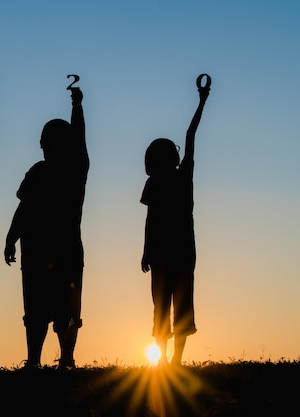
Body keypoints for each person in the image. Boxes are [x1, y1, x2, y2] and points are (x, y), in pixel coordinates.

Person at [4, 83, 88, 369]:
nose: (45, 145)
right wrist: (11, 237)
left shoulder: (75, 171)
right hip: (36, 251)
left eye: (51, 140)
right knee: (36, 311)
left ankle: (66, 358)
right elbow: (23, 207)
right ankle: (36, 360)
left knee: (67, 310)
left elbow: (80, 140)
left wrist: (77, 106)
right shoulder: (37, 172)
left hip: (65, 251)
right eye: (44, 140)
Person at [140, 74, 211, 366]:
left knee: (163, 306)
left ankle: (169, 359)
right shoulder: (182, 177)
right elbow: (191, 136)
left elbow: (150, 220)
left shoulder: (158, 183)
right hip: (179, 250)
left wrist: (202, 102)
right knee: (178, 305)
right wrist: (202, 101)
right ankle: (174, 360)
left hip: (166, 252)